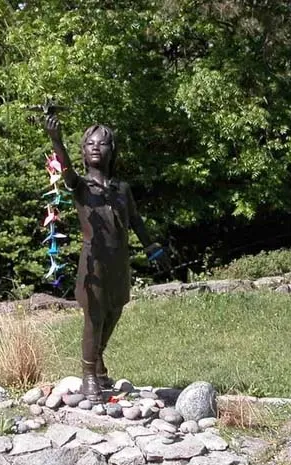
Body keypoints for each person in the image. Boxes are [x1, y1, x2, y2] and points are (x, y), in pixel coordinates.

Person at [45, 114, 170, 402]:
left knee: (114, 311)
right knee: (94, 317)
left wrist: (151, 246)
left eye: (101, 144)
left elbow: (135, 220)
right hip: (94, 262)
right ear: (83, 151)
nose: (95, 147)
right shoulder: (81, 187)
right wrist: (56, 140)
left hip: (119, 260)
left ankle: (98, 365)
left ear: (112, 150)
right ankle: (89, 375)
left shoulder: (122, 189)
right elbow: (66, 171)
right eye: (89, 143)